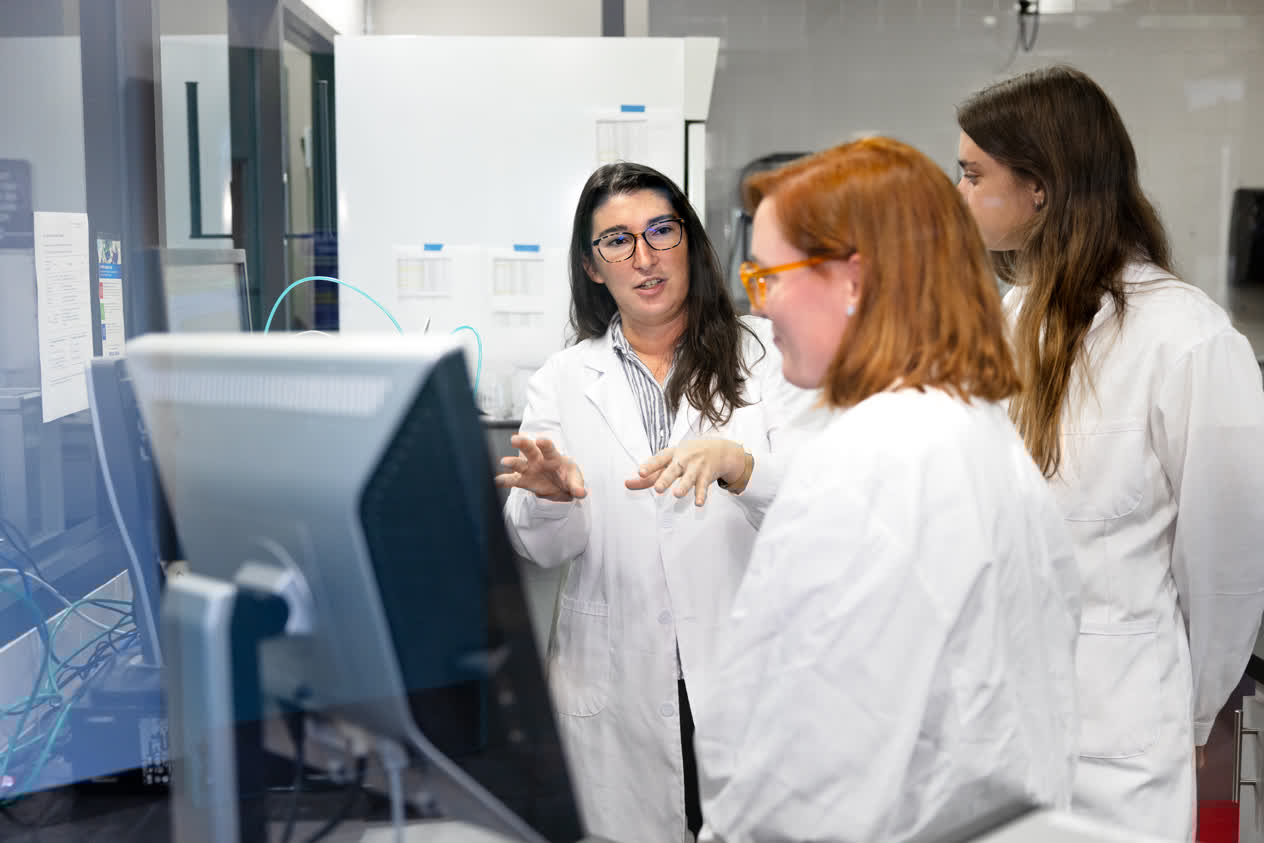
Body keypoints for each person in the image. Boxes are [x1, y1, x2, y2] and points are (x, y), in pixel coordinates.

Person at [692, 136, 1081, 842]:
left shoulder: (873, 460)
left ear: (853, 280)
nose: (761, 307)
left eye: (769, 277)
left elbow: (808, 760)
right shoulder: (972, 431)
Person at [956, 64, 1264, 840]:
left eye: (973, 175)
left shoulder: (1188, 338)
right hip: (1004, 733)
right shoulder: (1012, 317)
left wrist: (1195, 711)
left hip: (1124, 740)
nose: (958, 194)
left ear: (1040, 187)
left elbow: (1227, 565)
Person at [497, 161, 814, 843]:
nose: (644, 257)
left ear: (688, 240)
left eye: (661, 231)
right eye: (617, 241)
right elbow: (540, 547)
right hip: (619, 679)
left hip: (742, 667)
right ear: (591, 266)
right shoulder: (563, 379)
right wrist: (551, 501)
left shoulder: (766, 352)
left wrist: (741, 467)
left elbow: (819, 502)